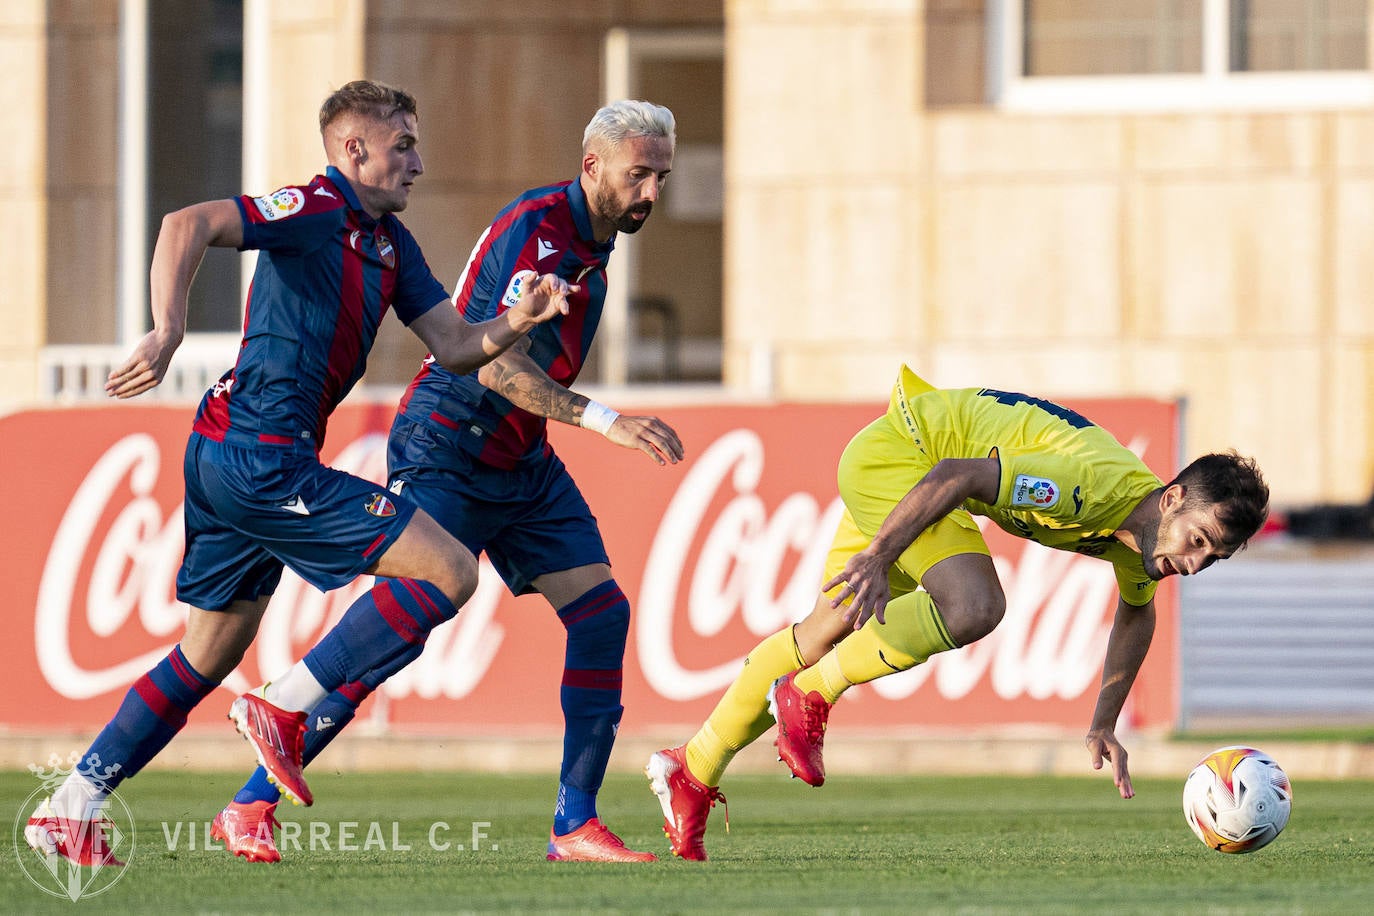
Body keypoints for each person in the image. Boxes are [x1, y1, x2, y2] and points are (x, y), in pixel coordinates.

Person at [24, 80, 576, 868]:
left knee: (203, 656)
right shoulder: (316, 207)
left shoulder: (389, 245)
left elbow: (455, 345)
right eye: (403, 145)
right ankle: (284, 704)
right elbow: (188, 222)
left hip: (227, 451)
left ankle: (70, 806)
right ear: (354, 151)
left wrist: (519, 320)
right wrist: (167, 328)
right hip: (259, 455)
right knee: (451, 570)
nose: (418, 162)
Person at [211, 100, 681, 864]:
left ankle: (574, 824)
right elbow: (493, 364)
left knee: (600, 616)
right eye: (639, 176)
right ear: (592, 166)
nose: (652, 194)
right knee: (413, 616)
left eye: (660, 177)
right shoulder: (539, 229)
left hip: (520, 462)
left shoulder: (595, 235)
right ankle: (263, 756)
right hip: (451, 441)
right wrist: (604, 420)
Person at [646, 364, 1269, 861]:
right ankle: (810, 694)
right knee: (975, 604)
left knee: (819, 632)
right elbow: (960, 473)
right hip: (905, 463)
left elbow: (1137, 616)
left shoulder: (1146, 544)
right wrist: (882, 553)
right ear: (1174, 496)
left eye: (1212, 556)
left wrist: (1104, 721)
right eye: (1198, 539)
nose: (1193, 563)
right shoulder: (1093, 488)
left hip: (911, 472)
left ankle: (693, 769)